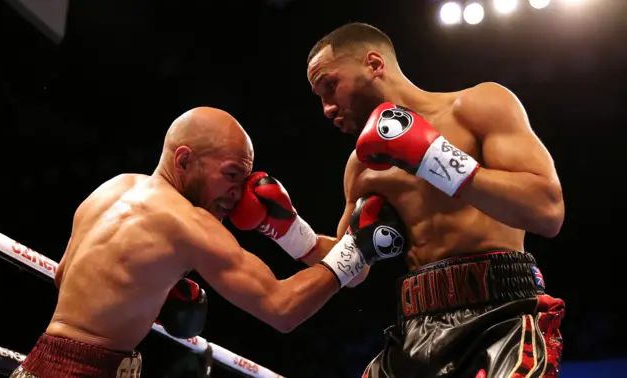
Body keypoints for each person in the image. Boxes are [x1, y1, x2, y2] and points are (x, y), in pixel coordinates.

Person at [231, 23, 566, 378]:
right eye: (319, 97)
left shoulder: (477, 106)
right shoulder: (361, 166)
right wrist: (287, 229)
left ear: (374, 64)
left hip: (501, 318)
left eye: (331, 86)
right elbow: (354, 267)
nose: (327, 108)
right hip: (416, 330)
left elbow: (547, 211)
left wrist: (432, 157)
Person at [11, 107, 406, 378]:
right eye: (232, 174)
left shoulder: (113, 189)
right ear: (183, 160)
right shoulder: (188, 222)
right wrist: (360, 248)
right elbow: (282, 308)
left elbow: (64, 276)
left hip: (35, 364)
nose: (238, 193)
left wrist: (147, 294)